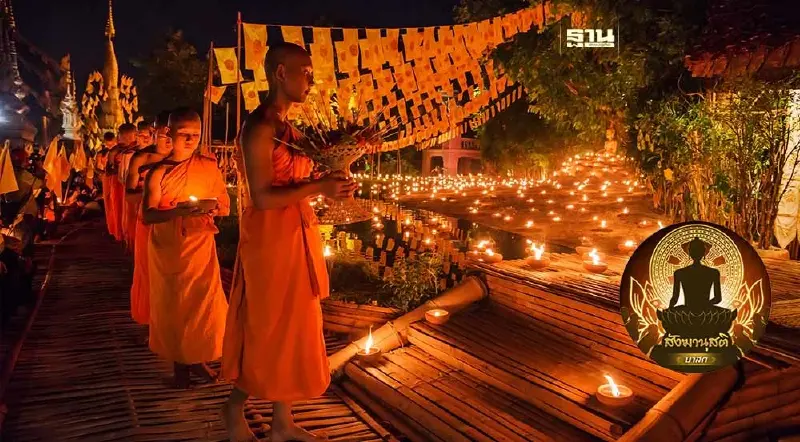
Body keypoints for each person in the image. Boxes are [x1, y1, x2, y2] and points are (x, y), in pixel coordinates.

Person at [221, 42, 357, 442]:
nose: (311, 81)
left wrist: (334, 182)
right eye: (305, 71)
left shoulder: (292, 132)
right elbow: (262, 197)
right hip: (268, 241)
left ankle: (282, 423)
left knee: (297, 325)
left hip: (298, 232)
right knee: (269, 327)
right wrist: (318, 185)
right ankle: (232, 406)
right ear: (280, 72)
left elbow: (299, 186)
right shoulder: (259, 127)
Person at [142, 107, 229, 389]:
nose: (191, 141)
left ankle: (195, 359)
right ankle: (182, 369)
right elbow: (148, 215)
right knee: (176, 307)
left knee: (202, 305)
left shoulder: (208, 165)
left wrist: (211, 208)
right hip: (170, 247)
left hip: (201, 243)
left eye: (196, 135)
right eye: (184, 135)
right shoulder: (158, 172)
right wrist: (178, 212)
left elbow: (222, 202)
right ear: (169, 134)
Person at [126, 111, 172, 327]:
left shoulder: (182, 160)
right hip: (148, 220)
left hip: (175, 223)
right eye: (164, 136)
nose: (169, 142)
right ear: (154, 134)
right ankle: (150, 318)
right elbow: (129, 194)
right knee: (149, 272)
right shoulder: (141, 158)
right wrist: (151, 193)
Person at [118, 122, 147, 251]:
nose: (145, 138)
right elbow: (123, 178)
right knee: (133, 224)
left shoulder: (157, 155)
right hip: (135, 195)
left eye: (148, 135)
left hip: (149, 198)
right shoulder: (128, 155)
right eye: (141, 135)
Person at [97, 132, 116, 238]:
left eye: (111, 144)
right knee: (108, 201)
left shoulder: (118, 151)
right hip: (106, 179)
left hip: (116, 178)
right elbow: (96, 167)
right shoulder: (101, 153)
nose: (110, 146)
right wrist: (103, 172)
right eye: (108, 144)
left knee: (116, 201)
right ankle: (111, 227)